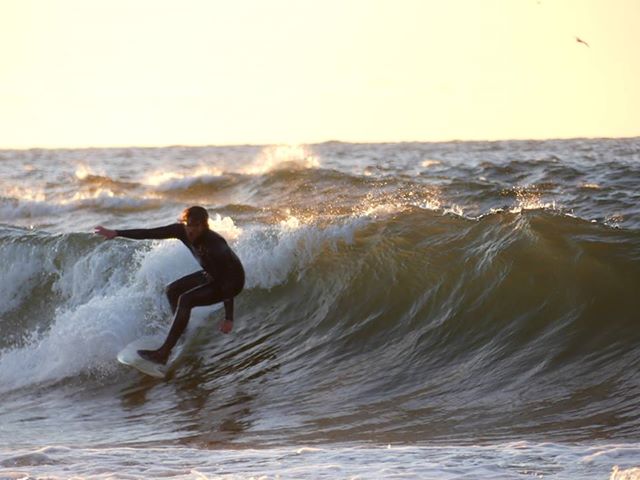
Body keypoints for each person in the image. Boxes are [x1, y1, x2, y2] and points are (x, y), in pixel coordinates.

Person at [94, 206, 245, 365]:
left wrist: (229, 318)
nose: (191, 230)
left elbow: (226, 280)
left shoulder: (215, 244)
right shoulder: (181, 231)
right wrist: (116, 233)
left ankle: (163, 353)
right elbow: (150, 233)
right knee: (173, 290)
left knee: (186, 299)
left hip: (232, 281)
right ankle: (181, 333)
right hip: (213, 274)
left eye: (196, 226)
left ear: (204, 226)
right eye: (189, 224)